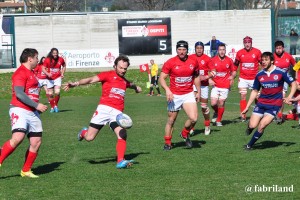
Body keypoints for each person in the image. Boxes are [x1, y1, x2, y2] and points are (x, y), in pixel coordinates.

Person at [63, 55, 142, 169]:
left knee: (122, 134)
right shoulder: (107, 75)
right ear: (115, 66)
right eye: (120, 68)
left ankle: (120, 161)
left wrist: (136, 88)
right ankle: (84, 132)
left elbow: (131, 84)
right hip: (103, 110)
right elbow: (90, 80)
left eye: (125, 68)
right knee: (90, 138)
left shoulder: (124, 82)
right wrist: (76, 83)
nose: (123, 70)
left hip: (117, 114)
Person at [0, 48, 48, 178]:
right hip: (19, 109)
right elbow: (20, 94)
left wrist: (36, 106)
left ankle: (26, 170)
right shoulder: (20, 72)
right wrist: (37, 105)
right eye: (37, 57)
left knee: (36, 141)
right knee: (18, 138)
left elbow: (32, 92)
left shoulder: (31, 72)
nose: (38, 60)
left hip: (32, 111)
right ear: (30, 58)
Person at [242, 52, 296, 150]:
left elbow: (293, 84)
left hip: (274, 105)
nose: (263, 62)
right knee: (253, 125)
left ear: (272, 61)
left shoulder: (281, 72)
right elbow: (255, 91)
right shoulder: (259, 75)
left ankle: (249, 145)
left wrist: (289, 97)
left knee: (262, 125)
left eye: (266, 60)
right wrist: (247, 106)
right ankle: (250, 127)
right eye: (262, 60)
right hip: (261, 103)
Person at [159, 40, 200, 150]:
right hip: (174, 96)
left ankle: (184, 133)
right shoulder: (170, 62)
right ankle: (168, 143)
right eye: (179, 50)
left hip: (188, 94)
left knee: (194, 118)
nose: (181, 52)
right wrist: (167, 90)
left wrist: (198, 91)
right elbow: (161, 78)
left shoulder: (193, 61)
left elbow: (196, 77)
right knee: (171, 120)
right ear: (176, 50)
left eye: (184, 50)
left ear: (187, 50)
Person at [234, 36, 262, 122]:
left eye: (248, 42)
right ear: (243, 43)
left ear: (251, 43)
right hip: (243, 78)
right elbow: (235, 64)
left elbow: (262, 63)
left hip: (254, 78)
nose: (247, 44)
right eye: (245, 43)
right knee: (243, 96)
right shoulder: (239, 53)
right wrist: (233, 74)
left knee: (257, 97)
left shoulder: (257, 52)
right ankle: (243, 116)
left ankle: (258, 114)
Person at [209, 43, 237, 126]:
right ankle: (217, 112)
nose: (222, 51)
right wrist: (210, 79)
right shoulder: (213, 60)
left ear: (225, 50)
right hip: (215, 85)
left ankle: (218, 120)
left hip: (225, 85)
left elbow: (234, 71)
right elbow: (209, 71)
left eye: (223, 50)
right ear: (218, 50)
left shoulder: (229, 60)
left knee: (221, 102)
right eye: (220, 50)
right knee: (213, 103)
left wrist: (232, 77)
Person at [190, 41, 213, 135]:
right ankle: (191, 128)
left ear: (203, 49)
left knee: (204, 107)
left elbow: (214, 72)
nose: (199, 50)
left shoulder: (207, 58)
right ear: (195, 49)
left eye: (201, 48)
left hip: (204, 85)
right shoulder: (190, 57)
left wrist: (206, 77)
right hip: (193, 86)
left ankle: (207, 125)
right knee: (193, 107)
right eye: (197, 48)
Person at [273, 40, 296, 123]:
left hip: (284, 80)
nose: (278, 50)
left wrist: (296, 77)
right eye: (277, 48)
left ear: (283, 48)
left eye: (280, 48)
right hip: (274, 80)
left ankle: (279, 115)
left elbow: (296, 66)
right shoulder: (272, 57)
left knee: (282, 96)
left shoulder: (288, 56)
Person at [42, 48, 66, 113]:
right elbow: (43, 68)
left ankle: (55, 106)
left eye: (56, 53)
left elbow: (64, 65)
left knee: (57, 92)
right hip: (49, 78)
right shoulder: (47, 60)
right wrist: (47, 73)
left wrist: (62, 73)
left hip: (57, 77)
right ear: (51, 53)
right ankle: (52, 107)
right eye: (54, 53)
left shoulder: (61, 59)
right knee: (50, 94)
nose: (55, 54)